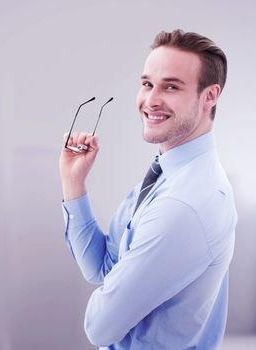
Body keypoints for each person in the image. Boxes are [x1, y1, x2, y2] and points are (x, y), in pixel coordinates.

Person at [59, 29, 237, 350]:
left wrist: (116, 291)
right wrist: (74, 183)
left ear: (210, 96)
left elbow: (100, 327)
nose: (150, 100)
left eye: (171, 86)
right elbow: (100, 267)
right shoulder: (165, 175)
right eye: (146, 84)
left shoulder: (184, 204)